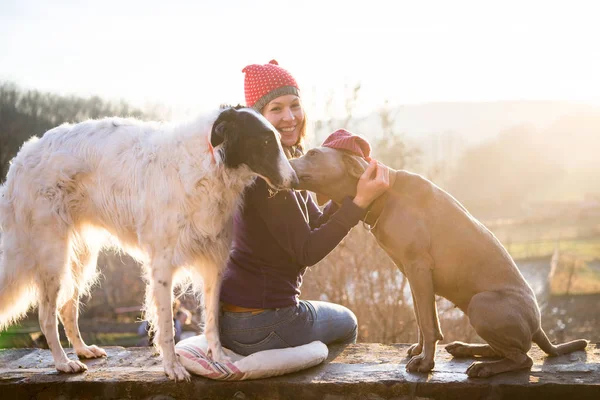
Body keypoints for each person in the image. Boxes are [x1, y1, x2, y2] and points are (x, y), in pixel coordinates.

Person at [219, 60, 389, 356]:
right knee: (347, 322)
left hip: (240, 321)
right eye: (276, 109)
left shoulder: (285, 166)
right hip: (264, 322)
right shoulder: (266, 178)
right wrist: (359, 204)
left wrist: (347, 193)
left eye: (294, 105)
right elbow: (307, 250)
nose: (289, 117)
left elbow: (314, 222)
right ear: (258, 119)